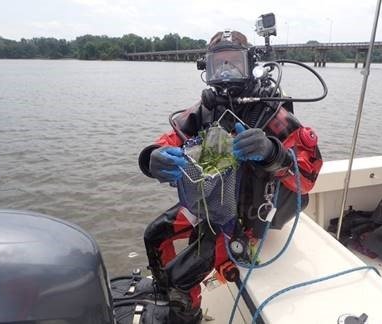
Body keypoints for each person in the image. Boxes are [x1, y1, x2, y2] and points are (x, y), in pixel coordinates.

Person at [138, 30, 323, 323]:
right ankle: (163, 291)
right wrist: (151, 158)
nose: (226, 71)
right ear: (206, 68)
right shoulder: (207, 109)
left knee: (180, 276)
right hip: (209, 202)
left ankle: (187, 312)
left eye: (233, 62)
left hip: (245, 219)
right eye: (218, 64)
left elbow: (309, 175)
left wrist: (272, 152)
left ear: (250, 63)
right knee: (154, 235)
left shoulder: (271, 112)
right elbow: (169, 140)